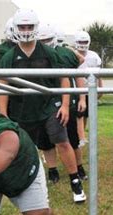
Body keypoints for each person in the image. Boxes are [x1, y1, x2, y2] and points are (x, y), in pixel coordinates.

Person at [0, 8, 86, 203]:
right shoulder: (9, 57)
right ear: (15, 28)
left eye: (30, 26)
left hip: (49, 106)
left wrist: (64, 105)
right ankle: (27, 183)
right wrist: (3, 112)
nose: (26, 30)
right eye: (23, 26)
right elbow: (3, 86)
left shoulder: (48, 52)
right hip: (23, 110)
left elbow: (63, 79)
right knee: (23, 147)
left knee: (62, 141)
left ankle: (75, 181)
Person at [36, 23, 88, 182]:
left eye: (48, 39)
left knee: (72, 139)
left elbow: (78, 68)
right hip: (43, 103)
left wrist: (81, 98)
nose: (45, 43)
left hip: (66, 101)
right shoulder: (33, 54)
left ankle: (78, 167)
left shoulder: (65, 53)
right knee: (46, 141)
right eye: (42, 40)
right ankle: (53, 170)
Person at [74, 30, 103, 148]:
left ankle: (81, 135)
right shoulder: (73, 54)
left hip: (89, 88)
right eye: (80, 41)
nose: (82, 44)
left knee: (85, 115)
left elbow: (98, 74)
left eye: (84, 41)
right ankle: (81, 138)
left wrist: (100, 86)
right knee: (79, 114)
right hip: (76, 89)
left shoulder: (94, 56)